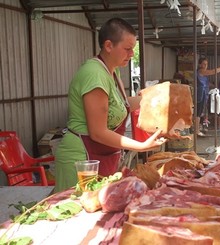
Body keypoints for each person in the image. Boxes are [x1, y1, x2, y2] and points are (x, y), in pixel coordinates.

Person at [54, 18, 166, 193]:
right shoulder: (94, 74)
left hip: (99, 155)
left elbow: (122, 104)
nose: (131, 54)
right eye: (127, 49)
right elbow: (98, 132)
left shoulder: (112, 71)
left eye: (133, 50)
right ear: (108, 45)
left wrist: (157, 99)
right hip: (81, 158)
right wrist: (141, 146)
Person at [196, 57, 220, 136]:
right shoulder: (201, 71)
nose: (205, 66)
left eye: (206, 64)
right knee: (198, 113)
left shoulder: (202, 72)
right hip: (201, 93)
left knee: (201, 112)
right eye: (204, 64)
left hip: (204, 93)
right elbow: (213, 71)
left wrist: (214, 86)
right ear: (200, 64)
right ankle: (196, 130)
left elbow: (207, 82)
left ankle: (199, 127)